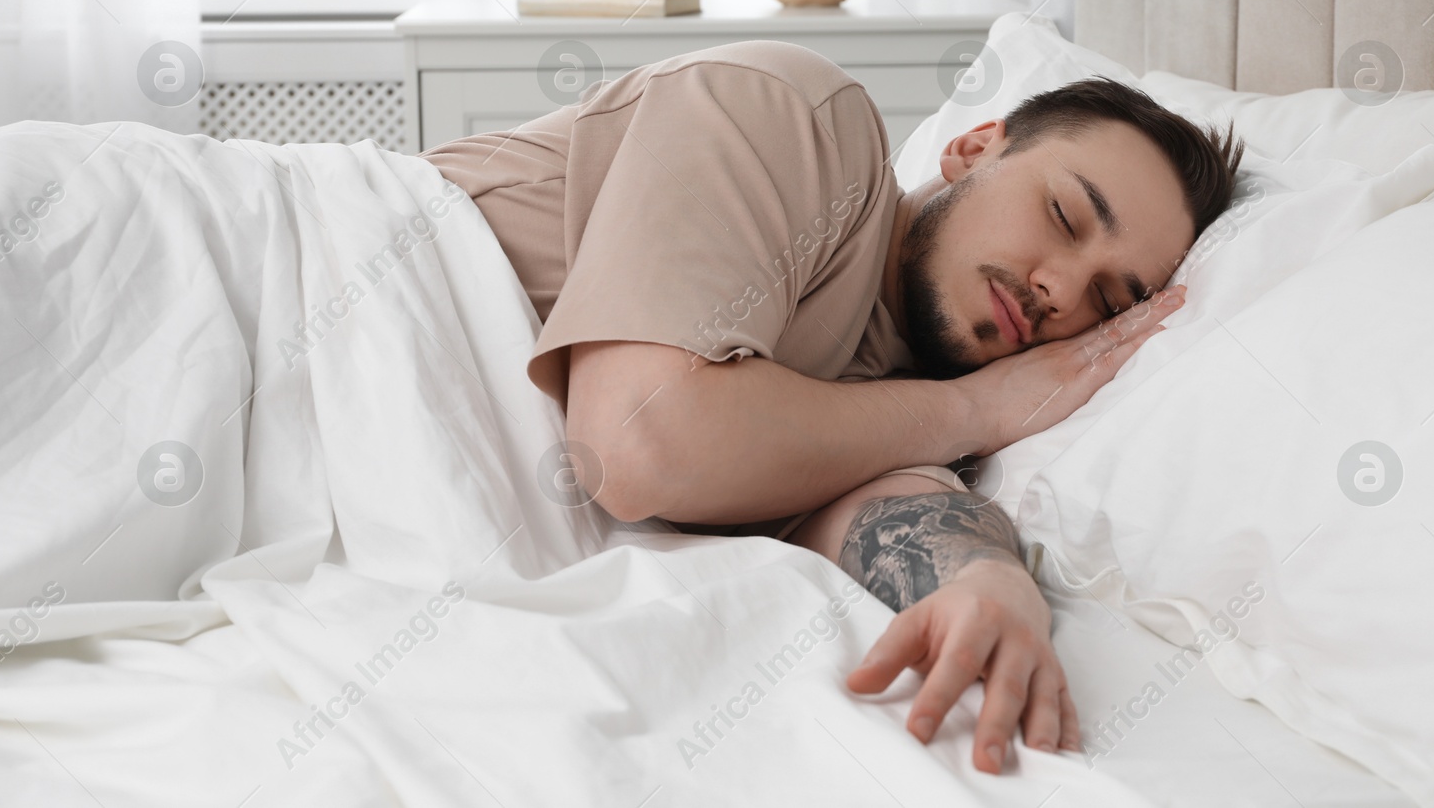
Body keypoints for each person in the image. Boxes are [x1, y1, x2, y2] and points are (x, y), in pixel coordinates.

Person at [421, 39, 1241, 774]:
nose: (1059, 288)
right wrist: (975, 407)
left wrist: (992, 589)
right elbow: (637, 442)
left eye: (1107, 297)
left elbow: (891, 514)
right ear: (972, 147)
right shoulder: (806, 121)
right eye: (1062, 214)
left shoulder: (893, 406)